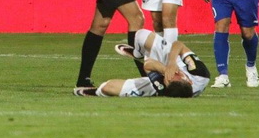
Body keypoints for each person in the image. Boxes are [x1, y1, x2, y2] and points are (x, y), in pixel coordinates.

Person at [74, 29, 211, 97]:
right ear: (188, 80)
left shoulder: (163, 88)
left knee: (108, 88)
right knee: (141, 35)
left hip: (160, 73)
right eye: (176, 74)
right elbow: (179, 45)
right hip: (172, 60)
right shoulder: (200, 74)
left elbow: (148, 66)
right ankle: (139, 54)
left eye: (169, 78)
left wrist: (164, 72)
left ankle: (96, 92)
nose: (172, 74)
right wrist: (171, 64)